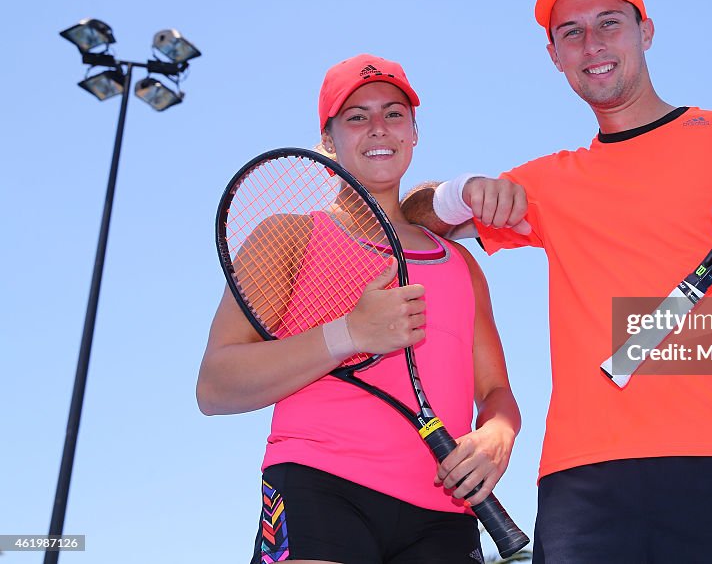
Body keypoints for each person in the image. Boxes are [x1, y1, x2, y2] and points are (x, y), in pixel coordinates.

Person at [401, 0, 712, 563]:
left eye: (609, 24)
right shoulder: (548, 185)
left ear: (646, 32)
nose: (593, 45)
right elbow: (415, 218)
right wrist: (461, 192)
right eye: (572, 33)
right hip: (586, 488)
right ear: (555, 57)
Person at [197, 54, 522, 564]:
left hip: (446, 510)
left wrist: (499, 434)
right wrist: (349, 333)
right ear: (328, 139)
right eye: (356, 116)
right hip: (319, 488)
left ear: (414, 133)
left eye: (394, 114)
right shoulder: (289, 236)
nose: (378, 128)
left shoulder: (459, 262)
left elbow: (495, 391)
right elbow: (215, 387)